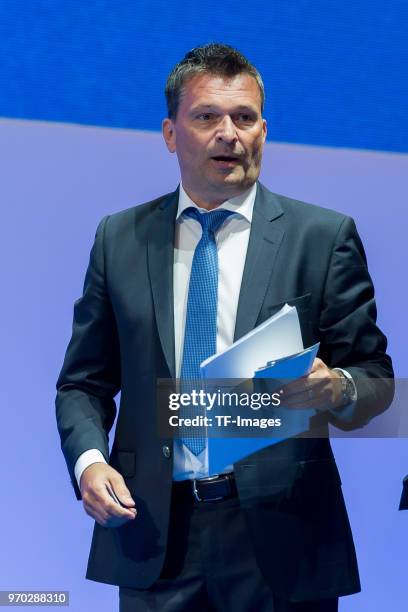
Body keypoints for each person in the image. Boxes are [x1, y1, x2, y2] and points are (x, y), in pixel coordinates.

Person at [55, 43, 394, 611]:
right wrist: (90, 463)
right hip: (153, 532)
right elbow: (83, 384)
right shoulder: (119, 238)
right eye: (207, 116)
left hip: (282, 538)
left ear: (264, 130)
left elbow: (375, 380)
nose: (229, 133)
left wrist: (337, 387)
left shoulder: (323, 236)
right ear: (170, 134)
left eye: (244, 117)